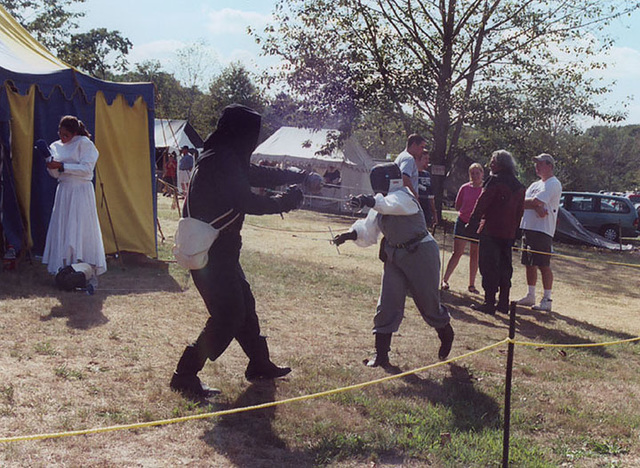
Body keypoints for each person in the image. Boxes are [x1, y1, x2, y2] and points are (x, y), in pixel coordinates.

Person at [169, 104, 319, 398]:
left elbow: (256, 174)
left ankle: (259, 364)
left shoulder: (222, 155)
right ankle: (185, 374)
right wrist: (284, 203)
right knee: (229, 314)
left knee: (245, 307)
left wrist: (298, 175)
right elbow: (245, 200)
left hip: (221, 251)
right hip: (212, 252)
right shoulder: (221, 159)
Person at [332, 163, 454, 367]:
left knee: (428, 303)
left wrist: (367, 200)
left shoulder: (404, 197)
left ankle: (446, 333)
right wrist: (349, 235)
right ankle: (381, 356)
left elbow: (391, 205)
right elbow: (368, 230)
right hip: (395, 255)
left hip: (420, 254)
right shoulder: (380, 203)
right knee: (387, 302)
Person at [41, 115, 107, 282]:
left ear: (74, 133)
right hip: (64, 190)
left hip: (81, 190)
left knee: (79, 225)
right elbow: (55, 174)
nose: (62, 138)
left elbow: (86, 169)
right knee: (64, 225)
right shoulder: (55, 146)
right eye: (60, 134)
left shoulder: (85, 144)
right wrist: (52, 166)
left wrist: (63, 166)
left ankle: (81, 265)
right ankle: (63, 265)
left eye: (66, 135)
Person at [467, 150, 525, 315]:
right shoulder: (520, 186)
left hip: (491, 230)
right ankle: (503, 303)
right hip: (509, 233)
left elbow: (482, 202)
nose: (490, 164)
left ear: (501, 164)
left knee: (488, 266)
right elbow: (520, 212)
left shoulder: (494, 181)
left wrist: (472, 222)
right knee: (506, 268)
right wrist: (516, 230)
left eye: (493, 161)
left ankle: (489, 302)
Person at [516, 154, 562, 312]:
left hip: (542, 230)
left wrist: (534, 204)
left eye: (540, 164)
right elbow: (525, 202)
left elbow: (535, 201)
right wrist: (534, 206)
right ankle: (530, 295)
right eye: (536, 164)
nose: (537, 167)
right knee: (529, 263)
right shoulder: (535, 184)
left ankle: (547, 299)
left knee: (543, 264)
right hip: (528, 227)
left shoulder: (553, 183)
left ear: (549, 166)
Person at [441, 163, 484, 293]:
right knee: (457, 252)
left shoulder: (485, 189)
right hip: (462, 222)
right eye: (473, 173)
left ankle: (471, 284)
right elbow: (457, 206)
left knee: (475, 254)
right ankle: (445, 279)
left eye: (477, 173)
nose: (475, 176)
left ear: (482, 174)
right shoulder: (464, 188)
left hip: (478, 225)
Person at [417, 150, 438, 228]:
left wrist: (434, 213)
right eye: (425, 159)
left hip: (426, 212)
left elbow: (431, 196)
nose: (427, 161)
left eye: (428, 159)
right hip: (415, 211)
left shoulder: (427, 174)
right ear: (418, 159)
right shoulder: (412, 174)